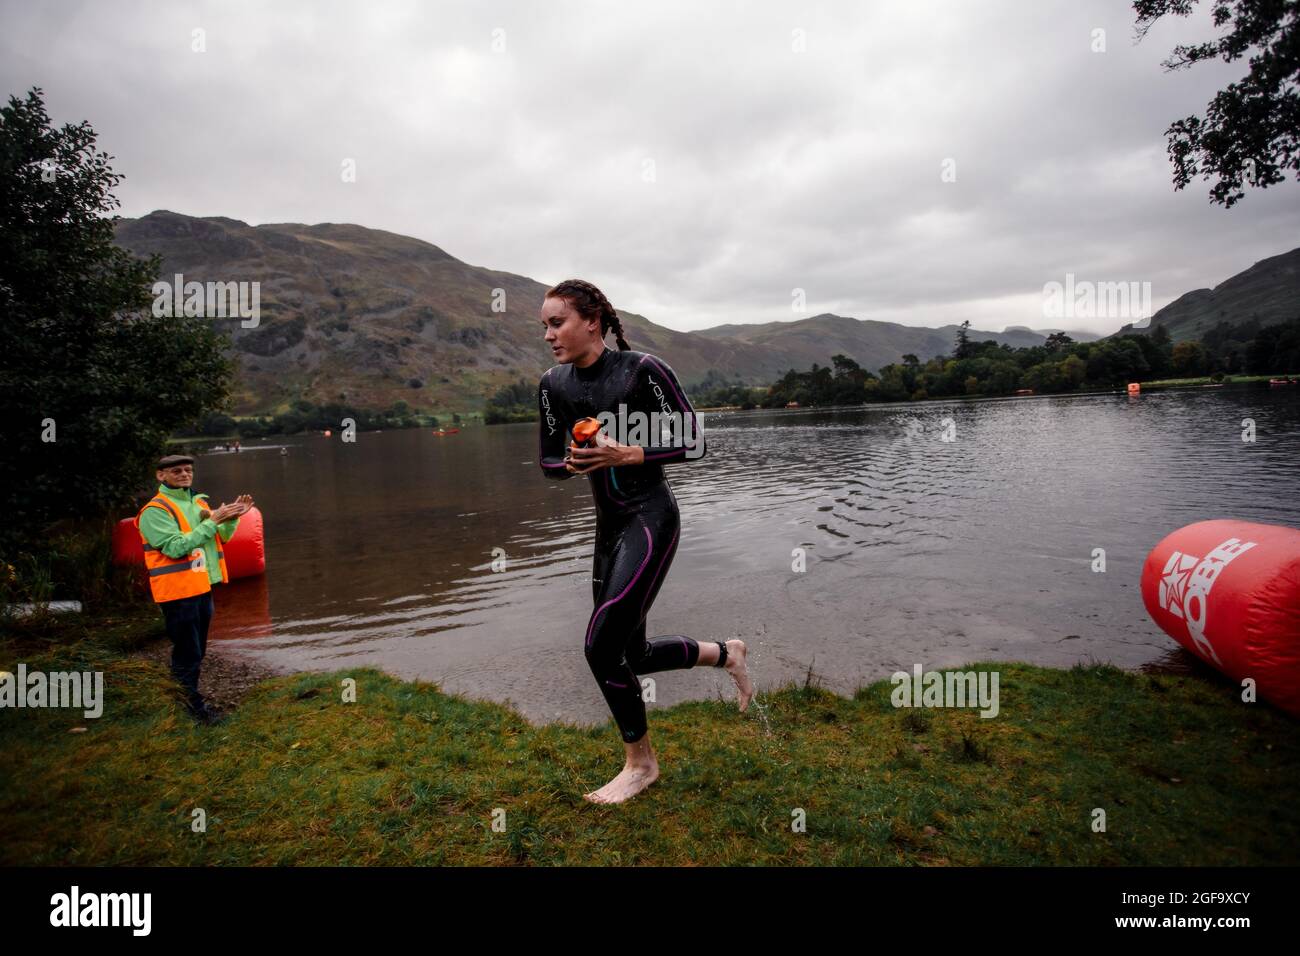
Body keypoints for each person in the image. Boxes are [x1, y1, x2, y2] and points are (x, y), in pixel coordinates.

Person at [537, 278, 753, 804]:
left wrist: (627, 454)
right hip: (608, 528)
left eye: (556, 322)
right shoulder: (552, 385)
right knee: (627, 652)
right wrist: (572, 461)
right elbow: (547, 462)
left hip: (651, 518)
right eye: (544, 325)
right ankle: (727, 654)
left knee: (599, 645)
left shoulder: (642, 371)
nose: (548, 335)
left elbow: (695, 441)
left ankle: (641, 764)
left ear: (593, 321)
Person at [135, 454, 254, 723]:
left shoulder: (198, 502)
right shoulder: (155, 511)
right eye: (176, 471)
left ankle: (184, 700)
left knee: (197, 650)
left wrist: (233, 517)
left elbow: (220, 536)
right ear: (160, 475)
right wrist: (214, 520)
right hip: (177, 592)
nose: (184, 474)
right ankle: (191, 710)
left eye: (188, 470)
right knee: (187, 652)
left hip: (201, 587)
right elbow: (175, 548)